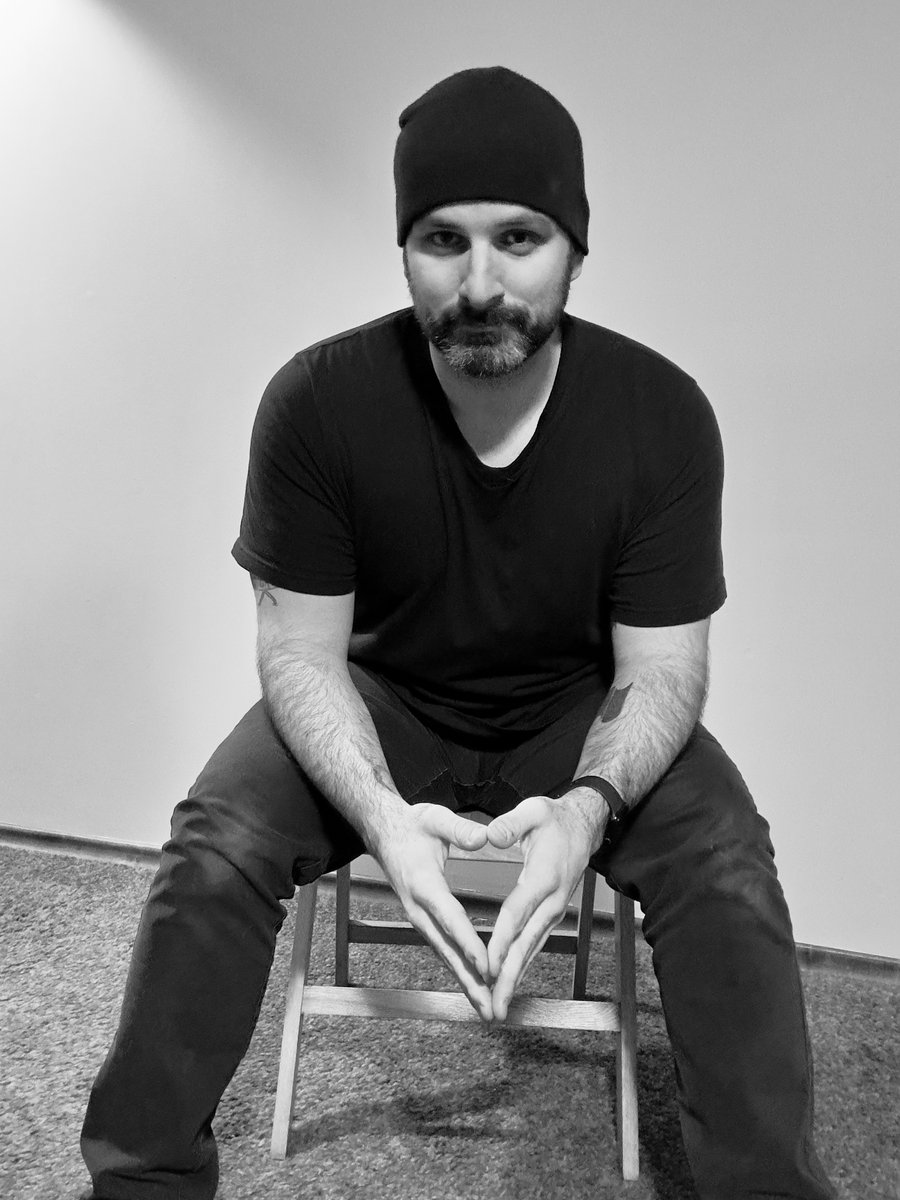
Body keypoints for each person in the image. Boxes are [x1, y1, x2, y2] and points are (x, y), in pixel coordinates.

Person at [80, 66, 837, 1200]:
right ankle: (140, 1181)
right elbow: (300, 654)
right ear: (404, 248)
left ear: (575, 247)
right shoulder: (317, 403)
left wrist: (588, 809)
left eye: (519, 238)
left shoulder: (662, 416)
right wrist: (380, 818)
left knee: (727, 863)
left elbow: (663, 667)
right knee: (217, 843)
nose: (481, 283)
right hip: (379, 701)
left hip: (579, 710)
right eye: (444, 239)